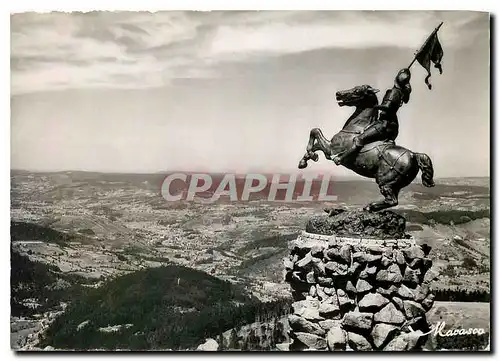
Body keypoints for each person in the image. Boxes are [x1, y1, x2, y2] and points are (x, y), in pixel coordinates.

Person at [333, 68, 412, 165]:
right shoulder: (400, 93)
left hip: (384, 125)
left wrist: (373, 106)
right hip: (393, 126)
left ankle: (341, 158)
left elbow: (387, 107)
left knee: (359, 139)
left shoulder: (393, 92)